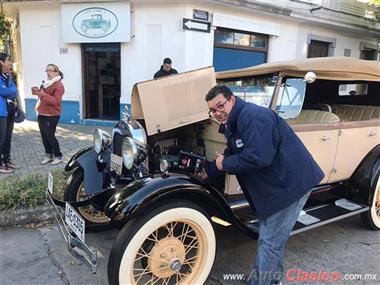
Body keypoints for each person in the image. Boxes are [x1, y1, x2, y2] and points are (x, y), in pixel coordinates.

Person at [204, 85, 324, 285]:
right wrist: (208, 170)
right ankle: (272, 280)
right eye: (213, 110)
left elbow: (259, 157)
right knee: (271, 240)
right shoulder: (235, 120)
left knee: (269, 242)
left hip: (289, 186)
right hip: (277, 185)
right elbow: (234, 151)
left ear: (232, 99)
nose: (217, 113)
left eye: (220, 106)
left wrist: (224, 163)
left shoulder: (253, 117)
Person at [32, 64, 64, 165]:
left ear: (56, 72)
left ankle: (58, 156)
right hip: (42, 113)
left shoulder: (59, 85)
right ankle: (48, 154)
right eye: (47, 70)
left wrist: (44, 94)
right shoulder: (45, 83)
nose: (49, 72)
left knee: (50, 135)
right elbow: (41, 97)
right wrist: (36, 91)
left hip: (53, 114)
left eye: (51, 70)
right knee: (44, 135)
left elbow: (56, 101)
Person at [0, 52, 18, 174]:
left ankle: (6, 161)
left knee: (8, 138)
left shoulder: (8, 76)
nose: (10, 63)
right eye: (8, 60)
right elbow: (4, 92)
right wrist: (8, 91)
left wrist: (9, 90)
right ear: (1, 62)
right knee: (1, 138)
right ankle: (0, 165)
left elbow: (14, 91)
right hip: (1, 110)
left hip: (9, 109)